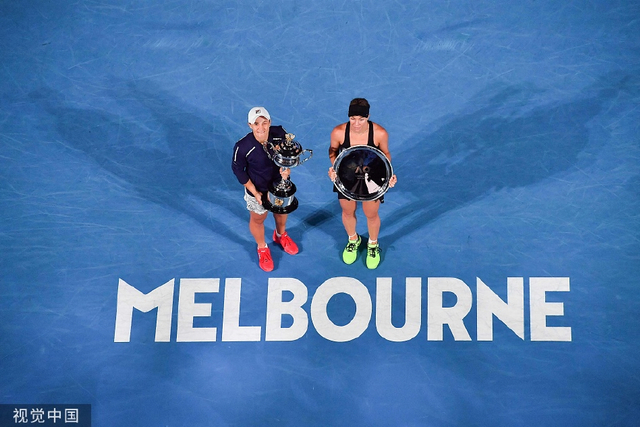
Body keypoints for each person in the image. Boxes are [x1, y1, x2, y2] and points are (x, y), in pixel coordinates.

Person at [328, 98, 397, 269]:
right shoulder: (338, 132)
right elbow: (333, 151)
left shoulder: (380, 133)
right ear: (348, 117)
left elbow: (385, 154)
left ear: (368, 117)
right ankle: (353, 239)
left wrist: (389, 174)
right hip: (346, 176)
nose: (357, 124)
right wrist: (334, 169)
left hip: (372, 177)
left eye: (361, 119)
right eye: (353, 119)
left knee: (371, 214)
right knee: (347, 210)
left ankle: (373, 244)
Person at [232, 107, 298, 271]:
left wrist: (286, 170)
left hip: (279, 185)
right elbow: (238, 170)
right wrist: (255, 192)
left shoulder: (280, 134)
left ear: (270, 122)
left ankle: (280, 235)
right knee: (258, 219)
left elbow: (288, 155)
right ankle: (262, 247)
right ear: (250, 125)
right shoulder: (243, 147)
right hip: (258, 189)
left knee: (281, 213)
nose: (261, 128)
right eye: (256, 124)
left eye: (264, 123)